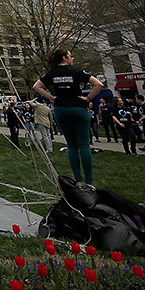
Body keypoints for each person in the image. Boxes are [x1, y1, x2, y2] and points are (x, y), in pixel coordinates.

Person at [33, 48, 104, 186]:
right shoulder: (76, 71)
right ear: (65, 58)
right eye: (71, 56)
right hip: (78, 107)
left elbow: (37, 86)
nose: (73, 58)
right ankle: (89, 182)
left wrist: (52, 98)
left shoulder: (51, 73)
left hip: (61, 109)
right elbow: (98, 84)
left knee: (71, 145)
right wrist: (88, 98)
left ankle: (78, 180)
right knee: (84, 145)